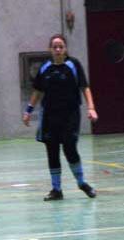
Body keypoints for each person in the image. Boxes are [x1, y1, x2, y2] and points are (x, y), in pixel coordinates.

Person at [22, 34, 99, 201]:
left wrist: (91, 107)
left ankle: (81, 183)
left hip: (70, 116)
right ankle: (56, 189)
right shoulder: (45, 68)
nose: (57, 50)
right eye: (54, 47)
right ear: (50, 49)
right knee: (52, 152)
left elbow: (85, 88)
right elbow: (37, 91)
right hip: (49, 117)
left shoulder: (73, 65)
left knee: (70, 148)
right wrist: (28, 111)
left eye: (60, 46)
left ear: (65, 49)